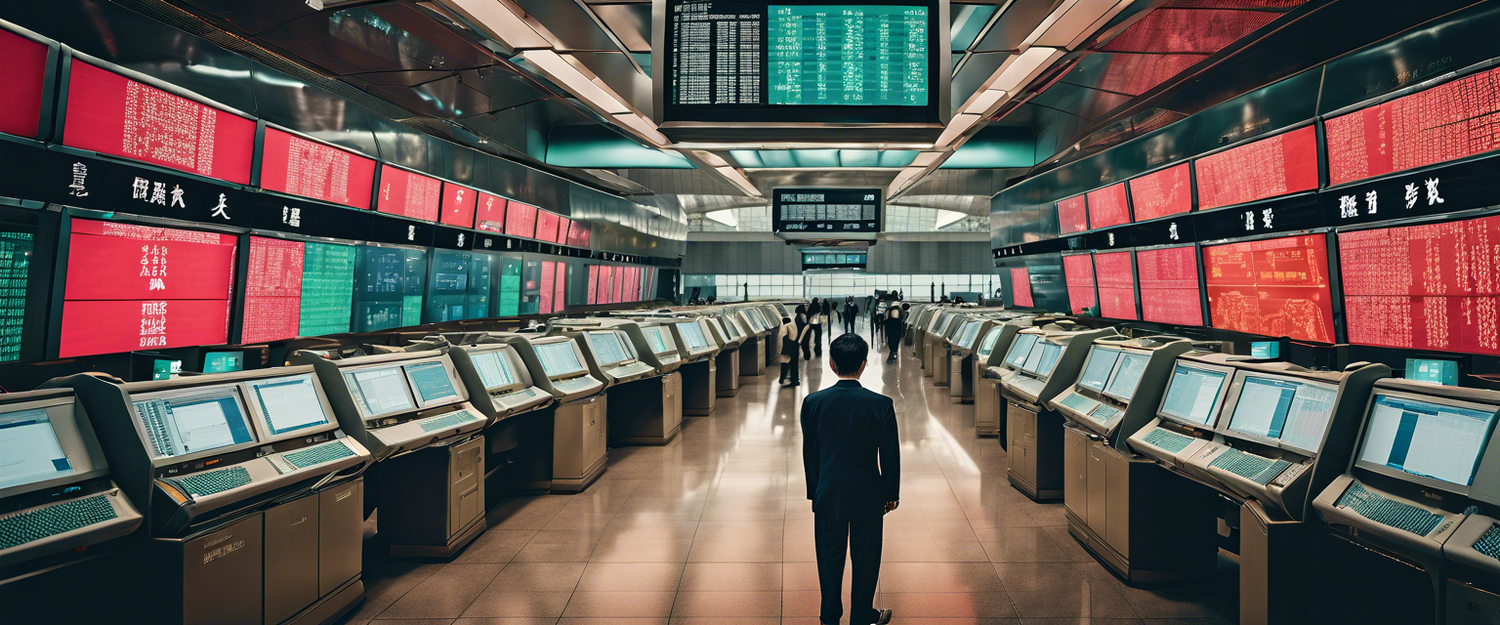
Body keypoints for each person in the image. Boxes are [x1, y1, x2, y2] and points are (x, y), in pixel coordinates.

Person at [800, 334, 899, 625]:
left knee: (829, 560)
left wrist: (814, 491)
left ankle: (830, 615)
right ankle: (861, 616)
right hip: (869, 494)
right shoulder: (880, 404)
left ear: (832, 364)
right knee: (866, 559)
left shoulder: (813, 402)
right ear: (864, 364)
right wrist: (890, 493)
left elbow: (811, 452)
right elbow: (889, 454)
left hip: (827, 493)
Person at [779, 314, 804, 387]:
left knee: (784, 363)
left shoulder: (786, 326)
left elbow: (783, 336)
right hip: (795, 345)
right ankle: (795, 380)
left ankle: (782, 379)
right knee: (794, 363)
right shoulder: (793, 324)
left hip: (788, 345)